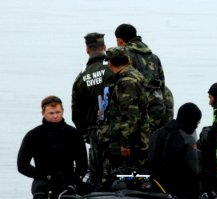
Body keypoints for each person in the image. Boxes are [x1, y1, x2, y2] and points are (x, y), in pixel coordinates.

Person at [17, 96, 88, 199]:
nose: (55, 116)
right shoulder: (34, 135)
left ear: (62, 111)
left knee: (87, 188)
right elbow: (22, 164)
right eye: (51, 113)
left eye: (58, 112)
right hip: (44, 180)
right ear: (43, 113)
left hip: (68, 178)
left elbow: (82, 164)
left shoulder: (74, 134)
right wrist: (42, 174)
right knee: (41, 188)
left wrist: (74, 178)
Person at [98, 46, 150, 188]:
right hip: (138, 136)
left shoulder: (126, 82)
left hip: (130, 141)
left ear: (110, 63)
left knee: (117, 173)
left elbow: (130, 116)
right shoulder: (134, 74)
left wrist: (125, 143)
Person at [115, 23, 174, 133]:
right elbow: (163, 86)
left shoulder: (124, 56)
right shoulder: (154, 57)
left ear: (120, 41)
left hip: (137, 114)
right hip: (157, 110)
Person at [71, 32, 113, 187]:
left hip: (93, 132)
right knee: (116, 173)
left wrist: (85, 132)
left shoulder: (81, 77)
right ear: (105, 48)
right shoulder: (113, 69)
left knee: (97, 174)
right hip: (116, 130)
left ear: (87, 50)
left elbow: (76, 111)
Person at [149, 103, 202, 199]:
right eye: (197, 122)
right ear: (191, 120)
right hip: (178, 196)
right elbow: (193, 173)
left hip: (155, 191)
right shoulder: (187, 140)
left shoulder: (156, 134)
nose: (197, 126)